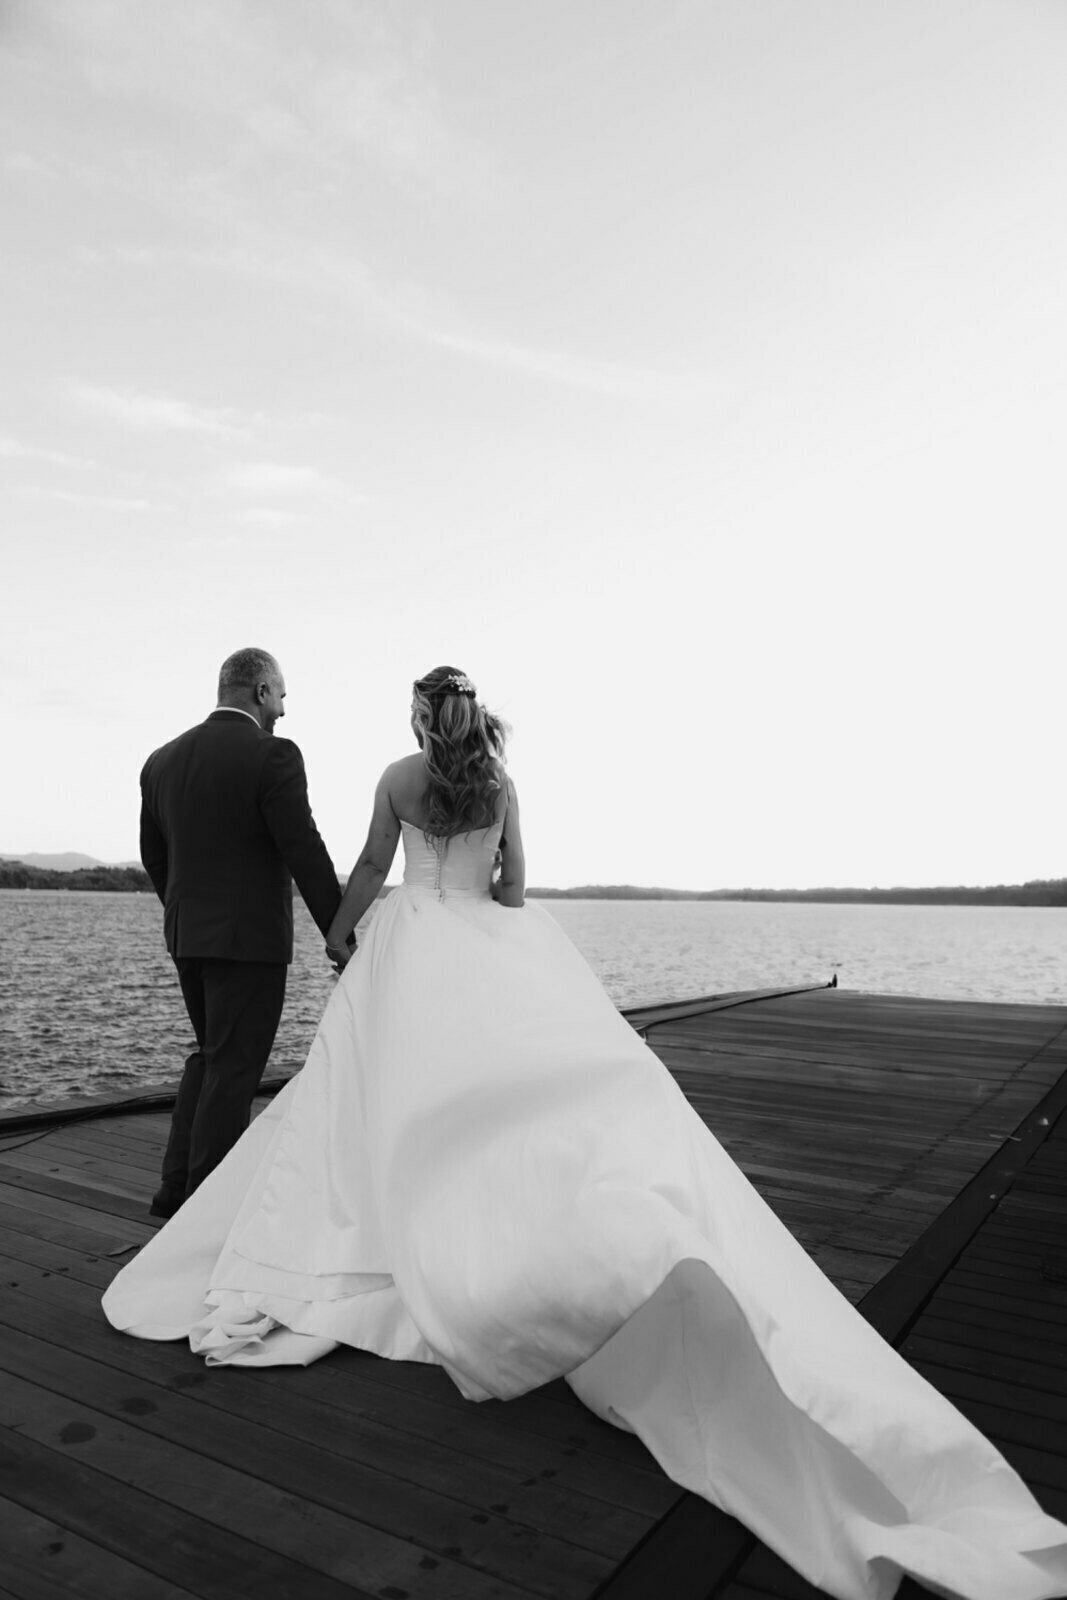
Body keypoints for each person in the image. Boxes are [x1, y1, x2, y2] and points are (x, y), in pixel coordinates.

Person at [106, 665, 1067, 1600]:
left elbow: (364, 866)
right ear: (471, 720)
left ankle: (376, 1224)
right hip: (486, 944)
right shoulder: (500, 782)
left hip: (407, 946)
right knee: (504, 1099)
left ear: (415, 721)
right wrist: (478, 890)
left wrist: (342, 931)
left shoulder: (395, 781)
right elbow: (517, 889)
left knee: (374, 1094)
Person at [138, 647, 343, 1218]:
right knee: (234, 1068)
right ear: (259, 691)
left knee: (210, 1056)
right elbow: (301, 845)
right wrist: (339, 933)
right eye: (281, 696)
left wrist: (187, 914)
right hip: (248, 942)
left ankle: (173, 1190)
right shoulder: (271, 754)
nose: (283, 710)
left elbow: (155, 856)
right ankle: (207, 1212)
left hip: (187, 936)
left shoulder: (161, 760)